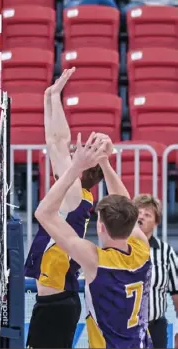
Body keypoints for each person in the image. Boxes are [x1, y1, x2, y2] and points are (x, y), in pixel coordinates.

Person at [35, 132, 153, 348]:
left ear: (100, 227)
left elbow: (43, 213)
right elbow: (125, 204)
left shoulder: (95, 260)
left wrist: (76, 167)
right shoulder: (142, 250)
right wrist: (104, 162)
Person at [24, 68, 104, 348]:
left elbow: (57, 143)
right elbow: (54, 143)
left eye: (74, 159)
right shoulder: (74, 196)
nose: (66, 159)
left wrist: (55, 98)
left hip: (57, 305)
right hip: (55, 302)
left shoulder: (76, 197)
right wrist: (49, 98)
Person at [134, 194, 178, 349]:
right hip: (125, 328)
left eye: (147, 215)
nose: (141, 218)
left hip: (156, 326)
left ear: (156, 221)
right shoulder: (120, 248)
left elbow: (176, 293)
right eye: (138, 213)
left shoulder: (166, 252)